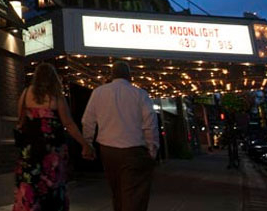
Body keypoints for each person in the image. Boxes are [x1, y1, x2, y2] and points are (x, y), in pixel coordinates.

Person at [13, 63, 95, 211]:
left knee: (30, 185)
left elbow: (20, 121)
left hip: (30, 150)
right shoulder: (56, 96)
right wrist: (85, 144)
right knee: (53, 186)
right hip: (52, 150)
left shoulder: (25, 94)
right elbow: (68, 124)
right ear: (53, 78)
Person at [81, 61, 159, 211]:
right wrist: (152, 147)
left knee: (117, 194)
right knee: (134, 197)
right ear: (129, 76)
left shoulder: (99, 92)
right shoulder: (140, 94)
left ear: (112, 75)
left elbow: (88, 120)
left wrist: (88, 143)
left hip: (108, 150)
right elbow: (150, 122)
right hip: (134, 150)